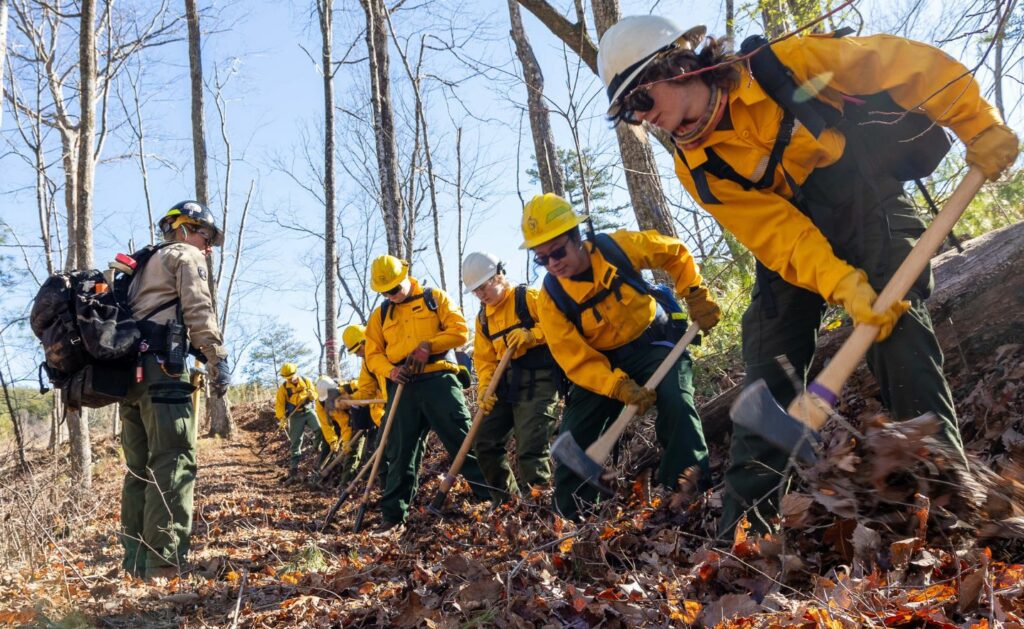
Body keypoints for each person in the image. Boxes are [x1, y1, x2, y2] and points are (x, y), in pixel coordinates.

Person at [595, 16, 1020, 540]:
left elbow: (903, 65)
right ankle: (739, 540)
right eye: (632, 115)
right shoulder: (695, 165)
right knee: (768, 364)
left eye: (641, 101)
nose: (647, 120)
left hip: (864, 199)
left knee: (896, 325)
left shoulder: (784, 65)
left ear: (676, 66)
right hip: (795, 234)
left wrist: (978, 123)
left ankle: (952, 502)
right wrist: (842, 285)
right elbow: (776, 234)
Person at [520, 193, 720, 521]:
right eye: (542, 258)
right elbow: (575, 358)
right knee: (573, 435)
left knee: (677, 402)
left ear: (577, 237)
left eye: (557, 251)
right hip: (603, 367)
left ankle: (686, 495)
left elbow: (675, 252)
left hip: (654, 346)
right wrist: (618, 386)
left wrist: (695, 293)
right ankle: (572, 518)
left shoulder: (617, 248)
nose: (553, 263)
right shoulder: (550, 298)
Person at [119, 200, 231, 580]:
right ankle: (164, 565)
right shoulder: (184, 254)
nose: (209, 246)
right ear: (184, 228)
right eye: (206, 235)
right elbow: (198, 308)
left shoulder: (141, 265)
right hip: (164, 372)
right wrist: (217, 357)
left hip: (130, 378)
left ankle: (135, 563)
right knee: (174, 462)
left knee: (139, 470)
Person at [363, 255, 491, 533]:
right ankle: (394, 517)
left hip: (439, 380)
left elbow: (460, 332)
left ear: (406, 277)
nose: (392, 295)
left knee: (463, 440)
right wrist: (390, 371)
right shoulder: (381, 315)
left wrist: (428, 346)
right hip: (402, 386)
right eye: (385, 292)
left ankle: (493, 500)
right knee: (400, 452)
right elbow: (372, 354)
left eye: (395, 289)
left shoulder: (435, 298)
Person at [462, 251, 560, 503]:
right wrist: (485, 389)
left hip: (539, 380)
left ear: (499, 276)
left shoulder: (528, 298)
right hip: (505, 384)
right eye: (476, 291)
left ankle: (539, 504)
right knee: (484, 442)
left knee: (530, 447)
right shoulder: (483, 318)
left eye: (484, 287)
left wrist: (533, 335)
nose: (482, 295)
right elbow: (484, 360)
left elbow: (560, 326)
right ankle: (508, 503)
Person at [275, 363, 326, 483]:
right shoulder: (283, 388)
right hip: (295, 416)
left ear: (296, 372)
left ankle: (315, 448)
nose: (290, 379)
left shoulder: (306, 381)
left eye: (291, 376)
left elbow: (315, 395)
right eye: (287, 377)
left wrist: (311, 394)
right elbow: (280, 405)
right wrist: (282, 419)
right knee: (296, 442)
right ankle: (293, 469)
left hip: (308, 411)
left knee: (319, 429)